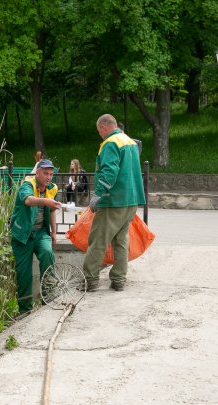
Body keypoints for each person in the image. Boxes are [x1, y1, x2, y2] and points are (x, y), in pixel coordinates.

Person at [83, 114, 146, 292]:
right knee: (121, 241)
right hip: (131, 200)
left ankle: (91, 280)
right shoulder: (129, 142)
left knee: (98, 240)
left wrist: (98, 194)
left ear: (103, 127)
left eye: (99, 131)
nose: (99, 135)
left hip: (113, 200)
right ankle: (119, 280)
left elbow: (110, 170)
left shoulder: (110, 143)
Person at [9, 159, 62, 314]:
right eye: (45, 173)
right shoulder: (28, 185)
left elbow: (52, 210)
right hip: (22, 236)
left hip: (40, 233)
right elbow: (27, 200)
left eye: (51, 174)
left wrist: (53, 232)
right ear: (37, 173)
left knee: (47, 253)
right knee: (24, 274)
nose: (49, 177)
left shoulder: (52, 188)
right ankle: (25, 311)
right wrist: (45, 201)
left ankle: (48, 296)